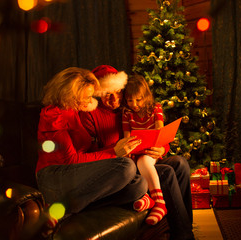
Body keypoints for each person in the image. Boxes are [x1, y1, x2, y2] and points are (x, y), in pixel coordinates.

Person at [80, 65, 194, 240]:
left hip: (143, 157)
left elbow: (153, 132)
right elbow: (88, 154)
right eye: (107, 94)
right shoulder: (90, 115)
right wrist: (116, 151)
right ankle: (184, 236)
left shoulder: (129, 107)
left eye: (118, 92)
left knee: (179, 163)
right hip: (122, 167)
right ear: (98, 94)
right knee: (167, 173)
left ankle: (186, 225)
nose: (114, 98)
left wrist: (162, 149)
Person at [35, 67, 148, 216]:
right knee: (125, 166)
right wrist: (113, 152)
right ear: (71, 95)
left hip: (76, 172)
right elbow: (71, 160)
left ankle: (76, 205)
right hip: (54, 176)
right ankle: (62, 209)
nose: (91, 101)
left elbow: (84, 155)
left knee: (138, 185)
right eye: (87, 97)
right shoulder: (54, 116)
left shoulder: (73, 110)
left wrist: (117, 148)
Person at [122, 74, 167, 225]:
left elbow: (159, 131)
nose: (134, 104)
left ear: (146, 96)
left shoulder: (155, 108)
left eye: (138, 99)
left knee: (144, 162)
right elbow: (127, 137)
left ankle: (159, 202)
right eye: (130, 100)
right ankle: (145, 198)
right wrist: (128, 153)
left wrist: (157, 146)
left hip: (150, 151)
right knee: (129, 167)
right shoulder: (127, 113)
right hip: (135, 151)